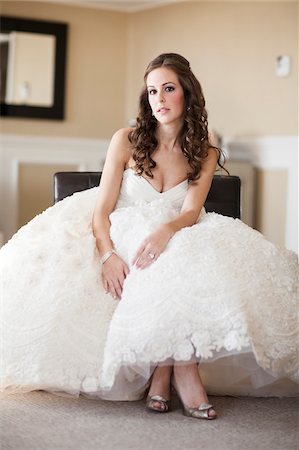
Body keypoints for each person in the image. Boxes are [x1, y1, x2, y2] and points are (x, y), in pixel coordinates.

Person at [0, 53, 298, 420]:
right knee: (163, 253)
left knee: (188, 250)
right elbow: (101, 210)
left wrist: (165, 230)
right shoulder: (125, 140)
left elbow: (189, 212)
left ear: (187, 94)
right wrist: (108, 255)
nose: (159, 98)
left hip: (176, 231)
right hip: (122, 233)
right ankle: (178, 370)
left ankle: (170, 369)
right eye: (153, 90)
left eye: (168, 89)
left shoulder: (204, 151)